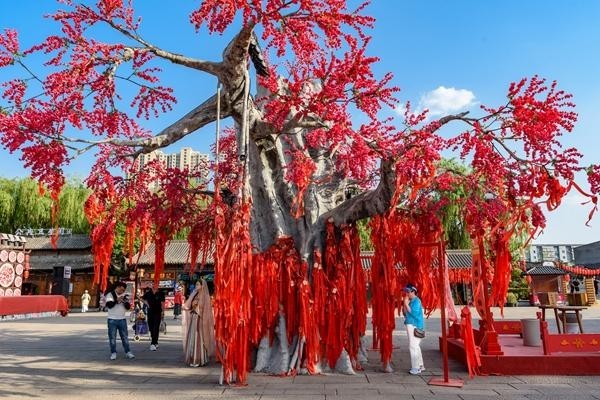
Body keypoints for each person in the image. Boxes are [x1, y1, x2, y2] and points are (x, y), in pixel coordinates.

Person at [182, 279, 215, 366]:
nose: (196, 286)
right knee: (192, 337)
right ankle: (192, 358)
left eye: (198, 285)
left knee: (199, 338)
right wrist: (190, 304)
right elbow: (188, 305)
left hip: (200, 319)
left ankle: (199, 359)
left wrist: (199, 310)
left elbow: (207, 310)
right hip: (193, 318)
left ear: (202, 286)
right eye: (196, 285)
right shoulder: (194, 294)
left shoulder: (205, 296)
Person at [105, 281, 135, 360]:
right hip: (112, 319)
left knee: (124, 337)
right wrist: (117, 300)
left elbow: (128, 307)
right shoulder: (110, 294)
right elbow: (109, 305)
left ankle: (128, 352)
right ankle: (113, 352)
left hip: (122, 319)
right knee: (112, 337)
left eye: (123, 290)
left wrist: (124, 301)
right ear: (117, 287)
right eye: (121, 289)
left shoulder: (124, 296)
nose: (122, 291)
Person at [402, 283, 425, 375]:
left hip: (414, 325)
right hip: (411, 324)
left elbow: (414, 313)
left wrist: (406, 304)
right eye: (406, 292)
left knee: (413, 346)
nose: (407, 294)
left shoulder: (416, 301)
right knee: (416, 346)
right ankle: (420, 365)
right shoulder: (411, 301)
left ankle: (416, 367)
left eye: (408, 292)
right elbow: (405, 313)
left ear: (413, 291)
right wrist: (405, 304)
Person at [143, 283, 165, 351]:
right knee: (151, 327)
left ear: (158, 285)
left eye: (155, 284)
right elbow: (142, 298)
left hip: (158, 312)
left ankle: (153, 343)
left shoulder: (161, 293)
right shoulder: (148, 293)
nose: (154, 285)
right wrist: (147, 304)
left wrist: (163, 312)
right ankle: (155, 341)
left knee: (156, 327)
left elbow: (162, 303)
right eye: (153, 284)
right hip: (150, 312)